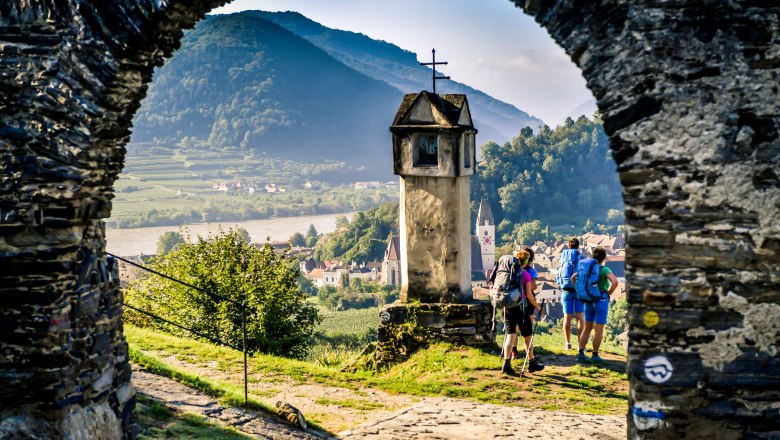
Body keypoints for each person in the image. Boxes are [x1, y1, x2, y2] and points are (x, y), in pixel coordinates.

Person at [499, 249, 544, 375]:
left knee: (510, 335)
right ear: (526, 261)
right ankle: (532, 362)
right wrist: (538, 307)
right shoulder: (525, 274)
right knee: (527, 336)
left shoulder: (509, 272)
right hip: (521, 307)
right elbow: (529, 295)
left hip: (507, 307)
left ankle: (506, 364)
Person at [571, 246, 618, 364]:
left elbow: (573, 278)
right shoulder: (604, 269)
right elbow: (615, 281)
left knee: (587, 327)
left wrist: (579, 289)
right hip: (601, 300)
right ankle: (595, 355)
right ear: (604, 258)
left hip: (589, 299)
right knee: (599, 328)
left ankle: (581, 353)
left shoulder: (588, 268)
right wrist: (609, 292)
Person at [510, 246, 538, 359]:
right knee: (528, 328)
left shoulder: (513, 269)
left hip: (514, 299)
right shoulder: (531, 271)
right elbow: (533, 287)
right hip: (528, 300)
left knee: (514, 328)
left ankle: (514, 351)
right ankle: (530, 353)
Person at [559, 237, 584, 350]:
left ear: (568, 246)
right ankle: (580, 344)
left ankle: (567, 343)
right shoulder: (581, 257)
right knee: (580, 317)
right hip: (578, 291)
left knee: (567, 317)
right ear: (578, 246)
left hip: (565, 290)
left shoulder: (563, 257)